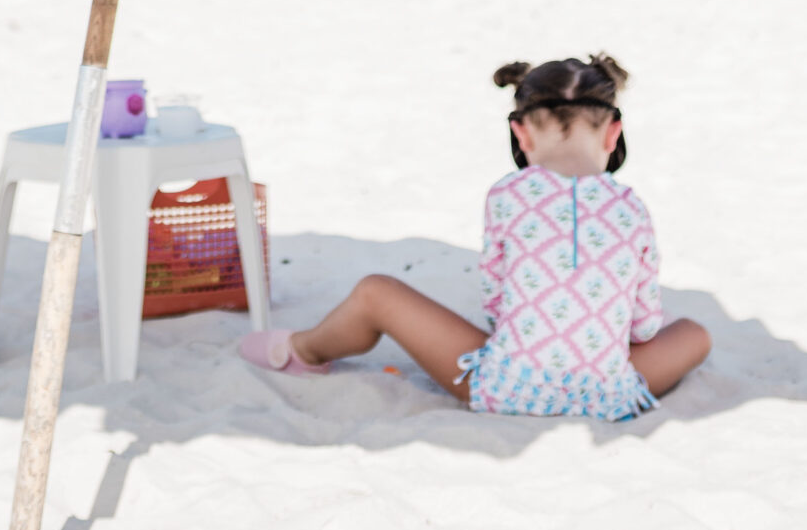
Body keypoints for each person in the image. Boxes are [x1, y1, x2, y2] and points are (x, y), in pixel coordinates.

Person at [237, 53, 710, 419]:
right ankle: (586, 370)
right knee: (695, 335)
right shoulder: (632, 208)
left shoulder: (507, 194)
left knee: (375, 293)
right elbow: (645, 327)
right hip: (609, 393)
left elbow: (498, 306)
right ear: (613, 134)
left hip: (505, 387)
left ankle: (301, 350)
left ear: (521, 135)